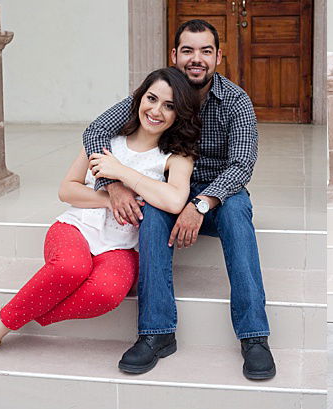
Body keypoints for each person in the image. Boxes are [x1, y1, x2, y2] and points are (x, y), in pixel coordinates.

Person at [83, 19, 275, 380]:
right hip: (167, 191)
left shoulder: (236, 101)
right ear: (175, 54)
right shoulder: (160, 93)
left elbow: (242, 164)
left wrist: (200, 203)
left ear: (219, 56)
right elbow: (95, 130)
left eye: (205, 51)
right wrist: (113, 183)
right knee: (152, 215)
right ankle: (156, 332)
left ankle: (254, 337)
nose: (196, 59)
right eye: (187, 50)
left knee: (237, 212)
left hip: (218, 198)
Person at [0, 67, 200, 358]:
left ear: (179, 114)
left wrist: (121, 173)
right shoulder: (107, 140)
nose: (156, 111)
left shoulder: (176, 156)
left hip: (122, 245)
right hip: (78, 227)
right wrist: (110, 198)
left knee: (106, 294)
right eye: (152, 98)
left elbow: (173, 201)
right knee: (70, 268)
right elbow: (67, 190)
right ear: (139, 98)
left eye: (169, 106)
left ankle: (5, 313)